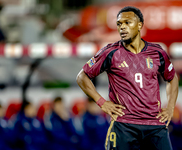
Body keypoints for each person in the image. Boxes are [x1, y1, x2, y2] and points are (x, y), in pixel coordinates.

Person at [76, 6, 178, 150]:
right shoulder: (110, 52)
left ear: (139, 25)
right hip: (124, 125)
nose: (122, 27)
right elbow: (82, 76)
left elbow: (172, 78)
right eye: (119, 24)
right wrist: (102, 102)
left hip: (155, 126)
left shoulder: (157, 52)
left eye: (127, 22)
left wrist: (170, 108)